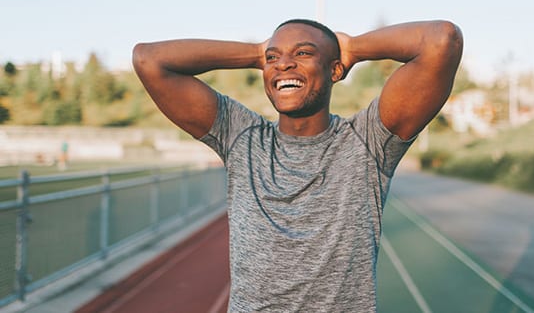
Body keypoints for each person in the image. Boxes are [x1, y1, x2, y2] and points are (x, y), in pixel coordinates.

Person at [132, 18, 463, 312]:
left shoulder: (367, 142)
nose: (283, 65)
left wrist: (352, 47)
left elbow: (441, 40)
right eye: (274, 58)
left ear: (335, 69)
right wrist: (255, 52)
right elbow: (149, 59)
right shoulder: (241, 136)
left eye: (303, 53)